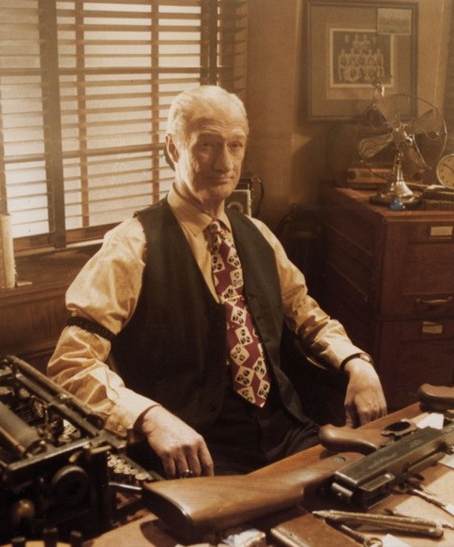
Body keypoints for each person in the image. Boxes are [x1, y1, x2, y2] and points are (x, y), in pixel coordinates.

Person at [47, 85, 386, 478]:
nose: (224, 163)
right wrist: (151, 418)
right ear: (174, 149)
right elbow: (70, 364)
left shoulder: (259, 235)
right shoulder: (131, 246)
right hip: (197, 452)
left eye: (236, 145)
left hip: (287, 433)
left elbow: (308, 316)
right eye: (207, 145)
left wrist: (357, 363)